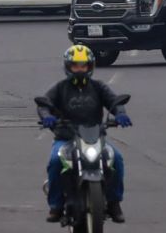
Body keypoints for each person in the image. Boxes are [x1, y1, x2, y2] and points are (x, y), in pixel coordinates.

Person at [39, 45, 130, 223]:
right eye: (76, 66)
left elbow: (114, 101)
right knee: (56, 162)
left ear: (90, 67)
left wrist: (120, 113)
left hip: (94, 138)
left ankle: (114, 202)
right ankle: (55, 206)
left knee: (116, 159)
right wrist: (47, 116)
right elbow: (44, 104)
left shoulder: (98, 87)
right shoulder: (60, 88)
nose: (80, 69)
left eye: (83, 66)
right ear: (68, 67)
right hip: (66, 138)